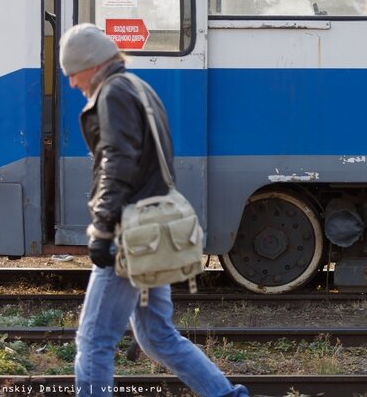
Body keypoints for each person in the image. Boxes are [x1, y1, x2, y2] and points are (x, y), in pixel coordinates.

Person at [60, 23, 249, 397]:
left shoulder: (113, 93)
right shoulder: (138, 88)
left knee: (94, 340)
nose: (71, 83)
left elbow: (119, 162)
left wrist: (102, 227)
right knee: (157, 336)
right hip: (152, 230)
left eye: (72, 73)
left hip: (129, 236)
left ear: (91, 64)